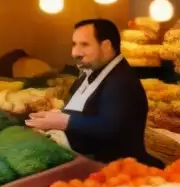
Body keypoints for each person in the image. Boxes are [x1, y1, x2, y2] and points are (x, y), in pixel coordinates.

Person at [27, 19, 160, 166]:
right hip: (84, 161)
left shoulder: (121, 82)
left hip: (117, 168)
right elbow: (85, 112)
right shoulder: (90, 72)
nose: (75, 53)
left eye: (84, 45)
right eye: (74, 44)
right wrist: (54, 116)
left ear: (107, 46)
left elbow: (112, 127)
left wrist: (65, 121)